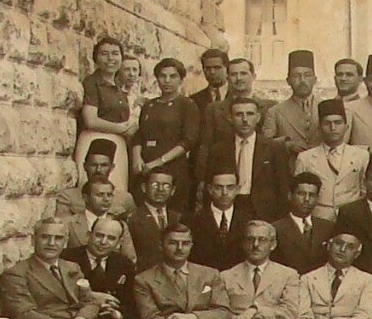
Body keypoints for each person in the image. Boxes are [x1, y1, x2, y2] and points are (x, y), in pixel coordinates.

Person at [192, 58, 275, 208]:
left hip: (258, 185)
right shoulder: (215, 109)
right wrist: (202, 180)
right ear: (227, 77)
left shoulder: (269, 108)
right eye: (233, 74)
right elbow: (206, 145)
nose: (238, 78)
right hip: (224, 185)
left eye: (243, 73)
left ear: (253, 76)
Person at [131, 57, 200, 211]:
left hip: (172, 166)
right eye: (163, 76)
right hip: (146, 167)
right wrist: (137, 158)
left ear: (181, 79)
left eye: (173, 76)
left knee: (172, 212)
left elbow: (189, 141)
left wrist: (159, 161)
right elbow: (140, 135)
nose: (167, 81)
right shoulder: (149, 105)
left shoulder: (187, 105)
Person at [77, 37, 140, 194]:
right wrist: (121, 128)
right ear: (96, 58)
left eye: (115, 53)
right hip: (95, 142)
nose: (110, 59)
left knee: (116, 192)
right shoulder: (93, 83)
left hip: (118, 145)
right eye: (104, 54)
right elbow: (90, 120)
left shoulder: (119, 87)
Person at [294, 98, 370, 220]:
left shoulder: (361, 156)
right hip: (319, 219)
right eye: (327, 123)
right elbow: (299, 194)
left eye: (338, 122)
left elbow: (365, 191)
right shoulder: (305, 158)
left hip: (352, 218)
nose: (333, 127)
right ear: (319, 128)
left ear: (346, 126)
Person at [54, 138, 138, 221]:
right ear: (85, 166)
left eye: (104, 165)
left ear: (112, 167)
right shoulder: (68, 197)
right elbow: (62, 227)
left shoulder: (125, 198)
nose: (98, 170)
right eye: (93, 165)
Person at [270, 173, 335, 275]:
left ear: (317, 198)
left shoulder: (327, 227)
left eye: (312, 195)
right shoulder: (276, 228)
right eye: (301, 194)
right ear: (290, 195)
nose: (307, 199)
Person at [186, 171, 251, 272]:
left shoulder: (249, 220)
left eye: (230, 187)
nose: (224, 192)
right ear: (209, 189)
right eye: (218, 187)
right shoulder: (192, 221)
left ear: (237, 189)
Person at [262, 49, 323, 155]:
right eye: (296, 76)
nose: (302, 80)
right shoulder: (276, 112)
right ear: (288, 81)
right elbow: (264, 143)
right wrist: (286, 145)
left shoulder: (325, 107)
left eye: (307, 75)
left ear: (315, 79)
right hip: (289, 168)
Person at [63, 178, 137, 263]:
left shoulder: (119, 225)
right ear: (86, 197)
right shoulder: (68, 223)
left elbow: (130, 259)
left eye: (109, 195)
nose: (106, 199)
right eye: (100, 195)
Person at [128, 171, 178, 273]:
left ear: (173, 190)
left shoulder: (180, 218)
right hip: (143, 276)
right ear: (144, 188)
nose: (160, 189)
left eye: (166, 186)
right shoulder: (131, 218)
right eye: (155, 185)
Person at [190, 48, 230, 113]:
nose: (212, 72)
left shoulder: (237, 94)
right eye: (207, 68)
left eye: (217, 67)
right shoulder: (195, 100)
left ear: (227, 68)